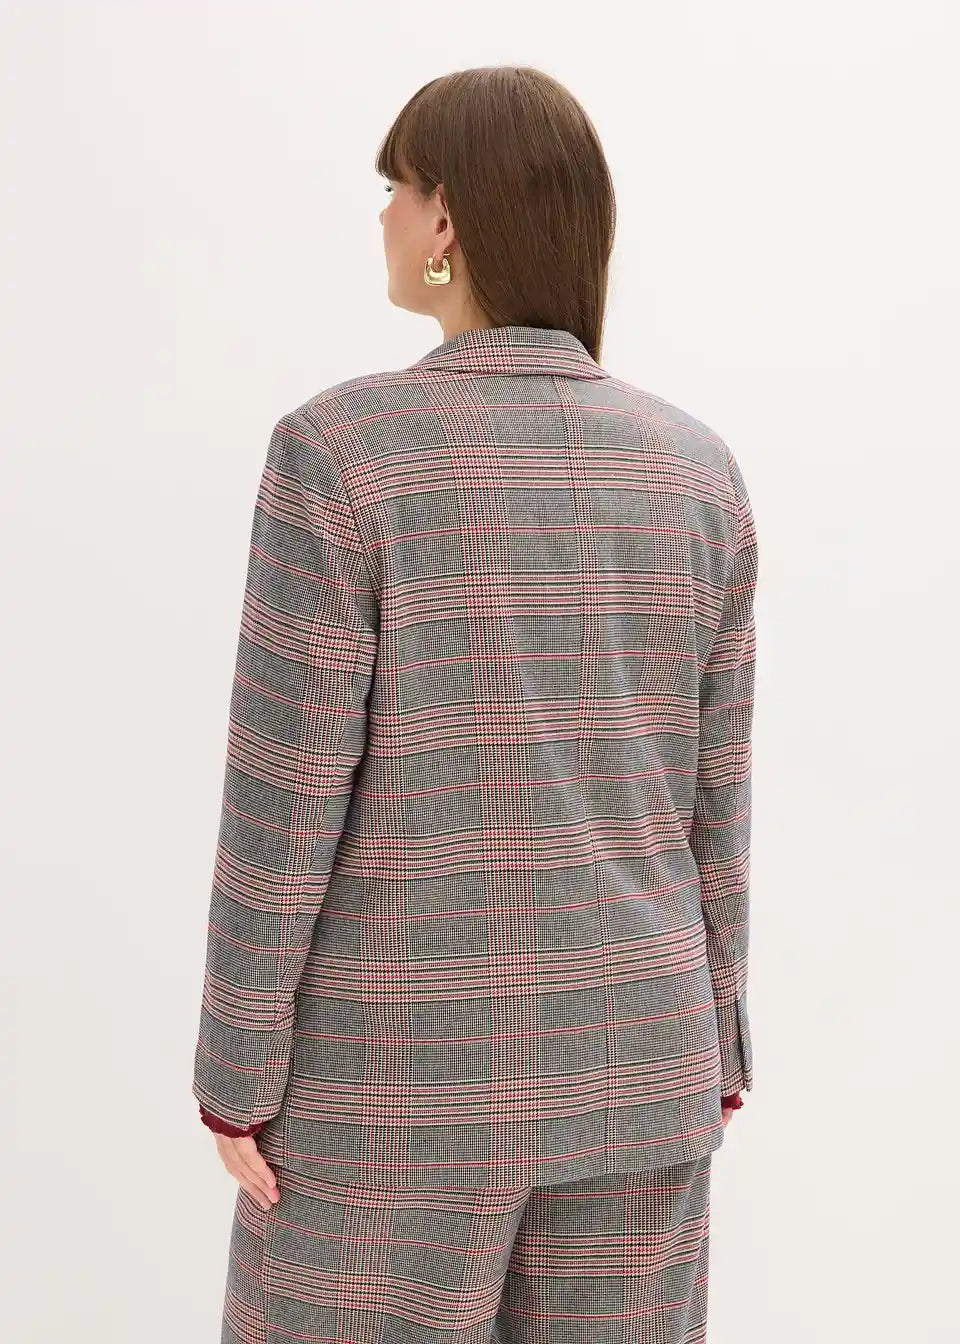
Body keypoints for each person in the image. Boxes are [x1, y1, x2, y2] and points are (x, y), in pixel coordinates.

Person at [192, 64, 756, 1344]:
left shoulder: (341, 454)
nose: (384, 215)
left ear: (446, 217)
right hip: (643, 1066)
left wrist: (236, 1074)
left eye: (397, 188)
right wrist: (716, 1041)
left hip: (395, 1088)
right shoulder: (698, 473)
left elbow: (283, 803)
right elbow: (713, 807)